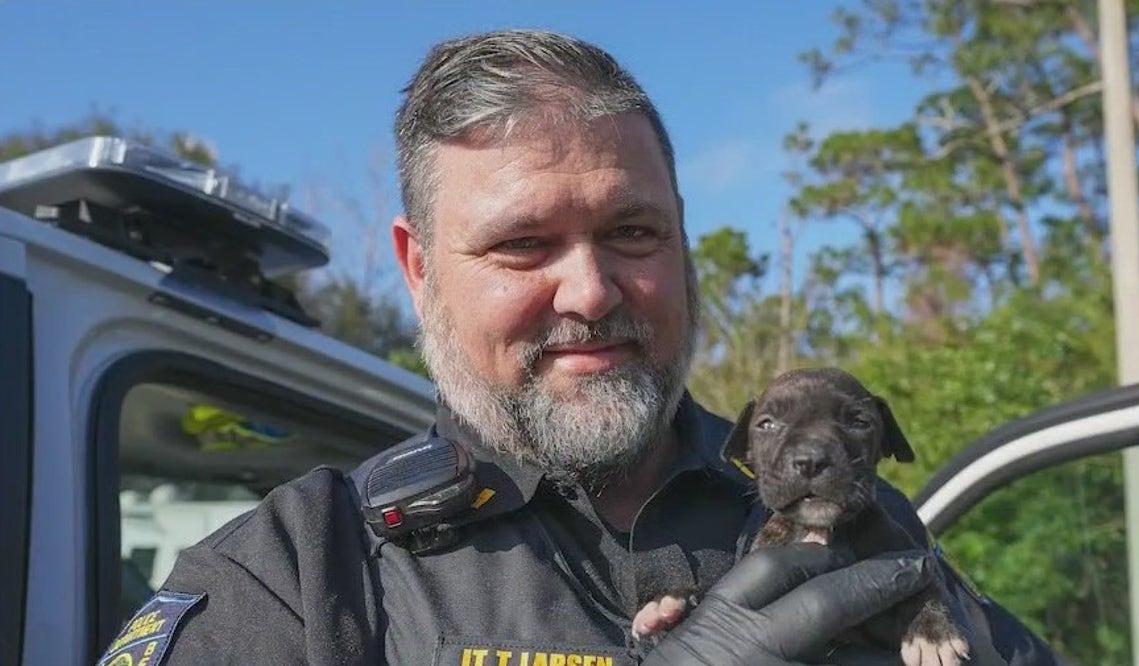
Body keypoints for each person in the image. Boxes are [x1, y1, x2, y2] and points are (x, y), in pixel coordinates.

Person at [97, 29, 1065, 666]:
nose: (592, 291)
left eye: (633, 234)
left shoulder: (856, 519)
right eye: (523, 244)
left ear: (681, 243)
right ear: (418, 267)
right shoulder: (294, 571)